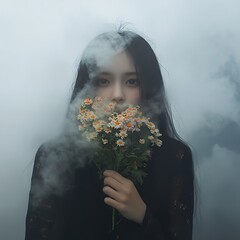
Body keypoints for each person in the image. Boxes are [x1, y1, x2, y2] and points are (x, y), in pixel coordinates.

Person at [25, 28, 197, 240]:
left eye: (132, 81)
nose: (117, 95)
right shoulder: (53, 156)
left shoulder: (174, 157)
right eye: (103, 81)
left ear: (149, 87)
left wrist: (142, 216)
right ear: (86, 89)